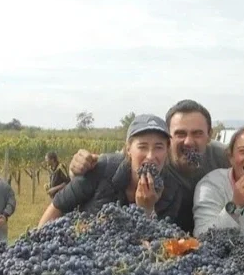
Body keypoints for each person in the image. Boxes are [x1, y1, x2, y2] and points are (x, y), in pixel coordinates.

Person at [68, 99, 229, 233]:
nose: (188, 141)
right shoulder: (156, 159)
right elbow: (117, 160)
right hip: (170, 226)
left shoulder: (223, 156)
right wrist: (77, 168)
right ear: (168, 138)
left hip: (207, 229)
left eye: (197, 133)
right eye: (180, 133)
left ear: (209, 135)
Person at [37, 114, 181, 228]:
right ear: (129, 149)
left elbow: (154, 248)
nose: (150, 156)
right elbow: (58, 205)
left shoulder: (172, 190)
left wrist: (147, 211)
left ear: (167, 151)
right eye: (142, 147)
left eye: (159, 147)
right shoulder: (101, 168)